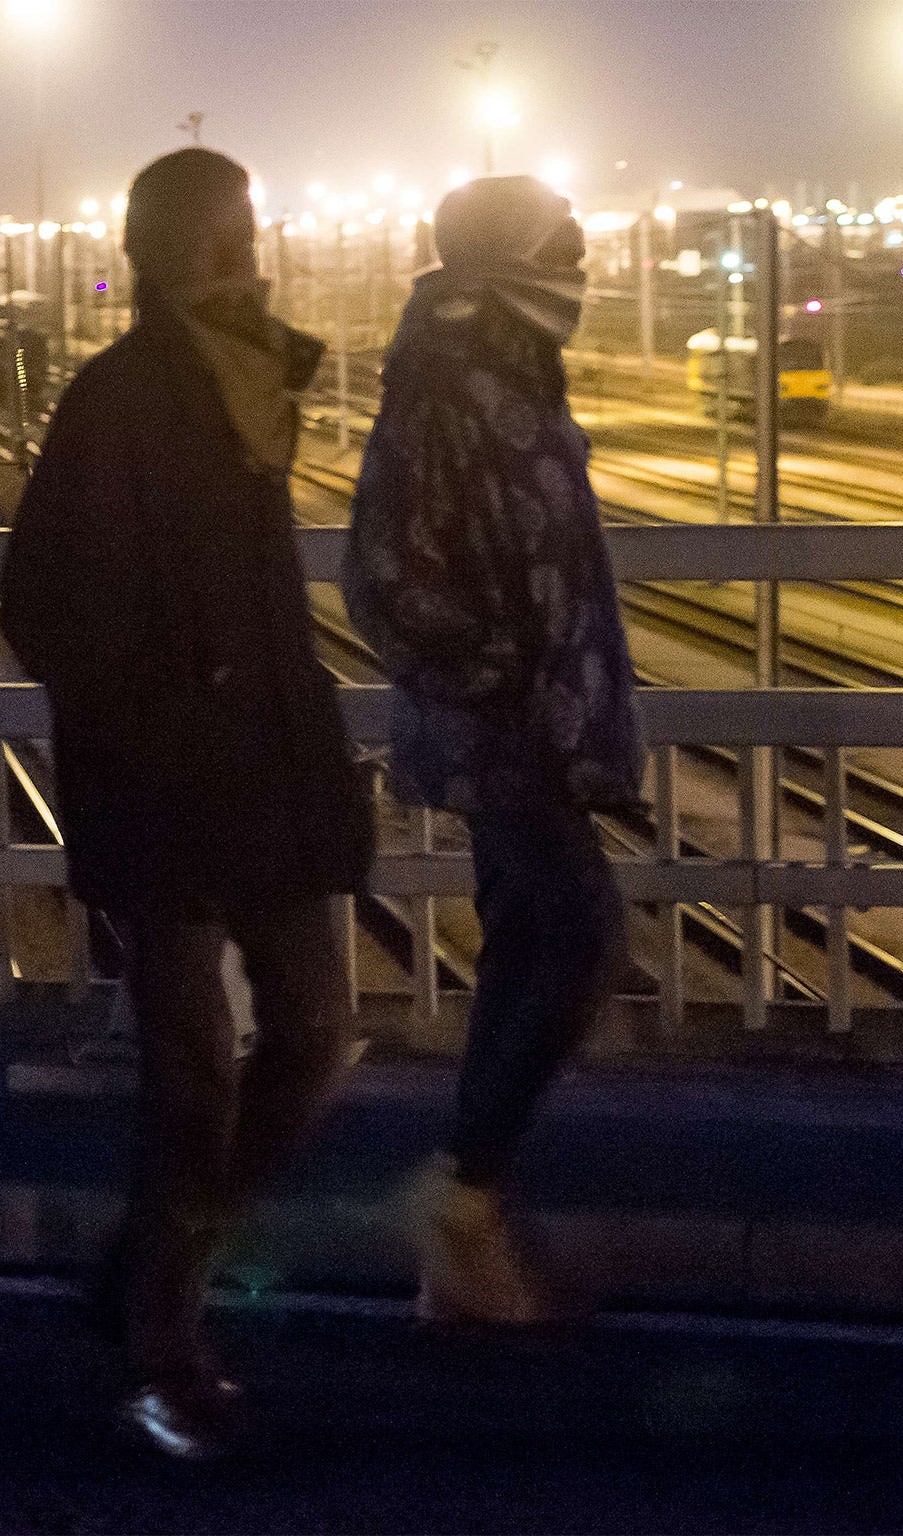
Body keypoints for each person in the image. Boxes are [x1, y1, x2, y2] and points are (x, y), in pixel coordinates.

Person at [0, 147, 375, 1460]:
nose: (253, 248)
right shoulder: (119, 400)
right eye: (237, 230)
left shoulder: (250, 385)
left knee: (317, 1035)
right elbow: (44, 603)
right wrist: (171, 720)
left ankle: (157, 1273)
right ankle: (166, 1340)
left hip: (265, 784)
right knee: (191, 1077)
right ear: (190, 249)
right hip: (172, 800)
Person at [342, 175, 642, 1327]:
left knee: (530, 946)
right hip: (504, 731)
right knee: (581, 938)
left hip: (540, 729)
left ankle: (463, 1249)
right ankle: (460, 1193)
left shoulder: (510, 367)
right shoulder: (443, 380)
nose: (578, 252)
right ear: (509, 256)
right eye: (555, 236)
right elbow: (382, 571)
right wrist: (500, 675)